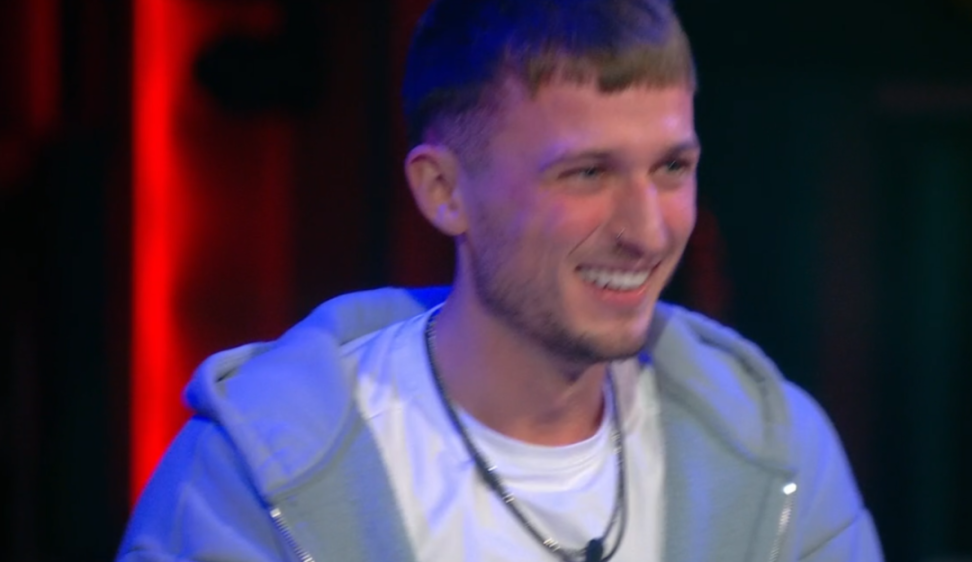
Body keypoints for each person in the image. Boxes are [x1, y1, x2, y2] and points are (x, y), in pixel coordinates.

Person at [117, 0, 883, 560]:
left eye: (671, 169)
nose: (649, 231)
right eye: (587, 173)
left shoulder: (776, 455)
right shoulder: (247, 479)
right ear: (444, 192)